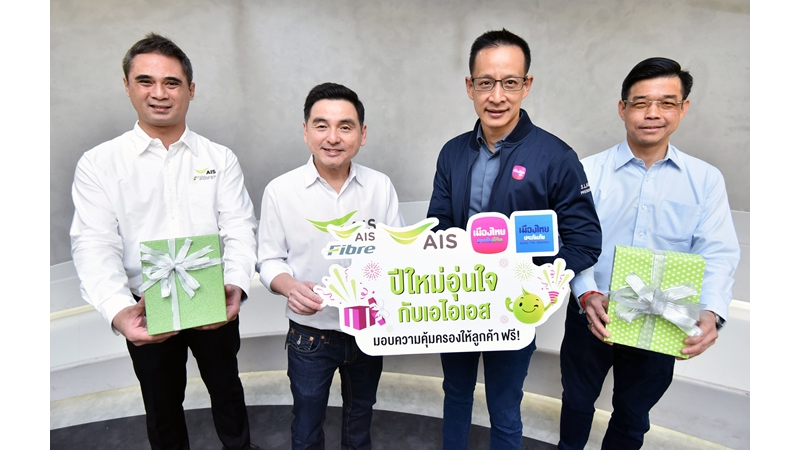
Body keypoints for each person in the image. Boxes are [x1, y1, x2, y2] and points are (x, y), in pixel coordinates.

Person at [70, 33, 262, 450]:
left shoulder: (219, 158)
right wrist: (118, 311)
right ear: (127, 86)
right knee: (161, 404)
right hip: (145, 305)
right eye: (146, 81)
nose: (159, 93)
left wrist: (237, 284)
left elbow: (239, 227)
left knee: (228, 390)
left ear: (190, 89)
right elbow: (94, 243)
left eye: (171, 83)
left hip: (215, 296)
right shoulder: (99, 164)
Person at [426, 29, 602, 449]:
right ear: (470, 86)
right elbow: (438, 223)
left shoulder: (556, 157)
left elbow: (585, 240)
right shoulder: (452, 153)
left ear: (527, 85)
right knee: (455, 394)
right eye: (485, 82)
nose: (497, 96)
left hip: (515, 309)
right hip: (459, 303)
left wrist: (537, 278)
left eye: (509, 82)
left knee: (505, 406)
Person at [558, 57, 741, 450]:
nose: (653, 113)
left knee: (633, 417)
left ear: (683, 108)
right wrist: (586, 293)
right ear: (622, 108)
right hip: (593, 311)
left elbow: (718, 251)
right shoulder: (586, 172)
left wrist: (712, 310)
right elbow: (570, 240)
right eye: (640, 103)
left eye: (666, 103)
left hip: (663, 319)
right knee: (575, 402)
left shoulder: (705, 180)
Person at [256, 82, 404, 449]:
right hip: (310, 335)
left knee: (360, 418)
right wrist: (289, 286)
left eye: (345, 126)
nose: (333, 137)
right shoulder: (280, 191)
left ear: (362, 134)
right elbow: (268, 259)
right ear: (305, 131)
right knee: (307, 424)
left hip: (367, 330)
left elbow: (397, 254)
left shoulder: (380, 187)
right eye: (321, 125)